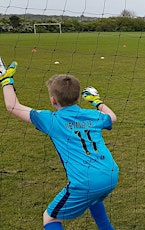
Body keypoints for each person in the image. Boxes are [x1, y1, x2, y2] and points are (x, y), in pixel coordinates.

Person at [0, 59, 118, 230]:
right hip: (110, 174)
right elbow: (112, 117)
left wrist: (6, 81)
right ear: (78, 97)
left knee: (49, 218)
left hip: (85, 181)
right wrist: (96, 101)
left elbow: (12, 106)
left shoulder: (52, 120)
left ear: (53, 100)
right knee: (95, 199)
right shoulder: (92, 115)